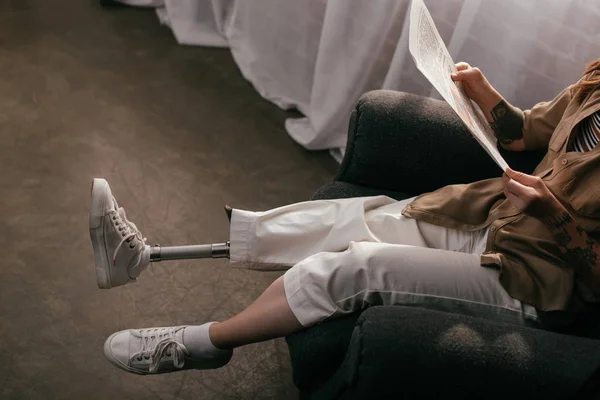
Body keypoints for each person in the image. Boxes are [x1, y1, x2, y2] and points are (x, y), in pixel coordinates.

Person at [89, 60, 600, 375]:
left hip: (535, 282)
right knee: (340, 221)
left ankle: (202, 344)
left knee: (355, 267)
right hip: (496, 218)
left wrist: (556, 217)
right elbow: (525, 132)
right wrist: (484, 92)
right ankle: (142, 256)